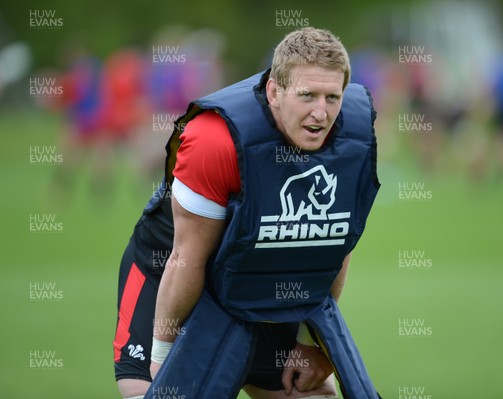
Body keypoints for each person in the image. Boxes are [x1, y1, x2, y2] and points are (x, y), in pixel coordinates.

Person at [113, 27, 381, 399]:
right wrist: (163, 355)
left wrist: (311, 342)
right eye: (307, 95)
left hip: (262, 277)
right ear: (275, 91)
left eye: (332, 97)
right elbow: (187, 256)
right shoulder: (215, 139)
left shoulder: (353, 137)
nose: (321, 113)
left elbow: (334, 245)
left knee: (314, 394)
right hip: (174, 275)